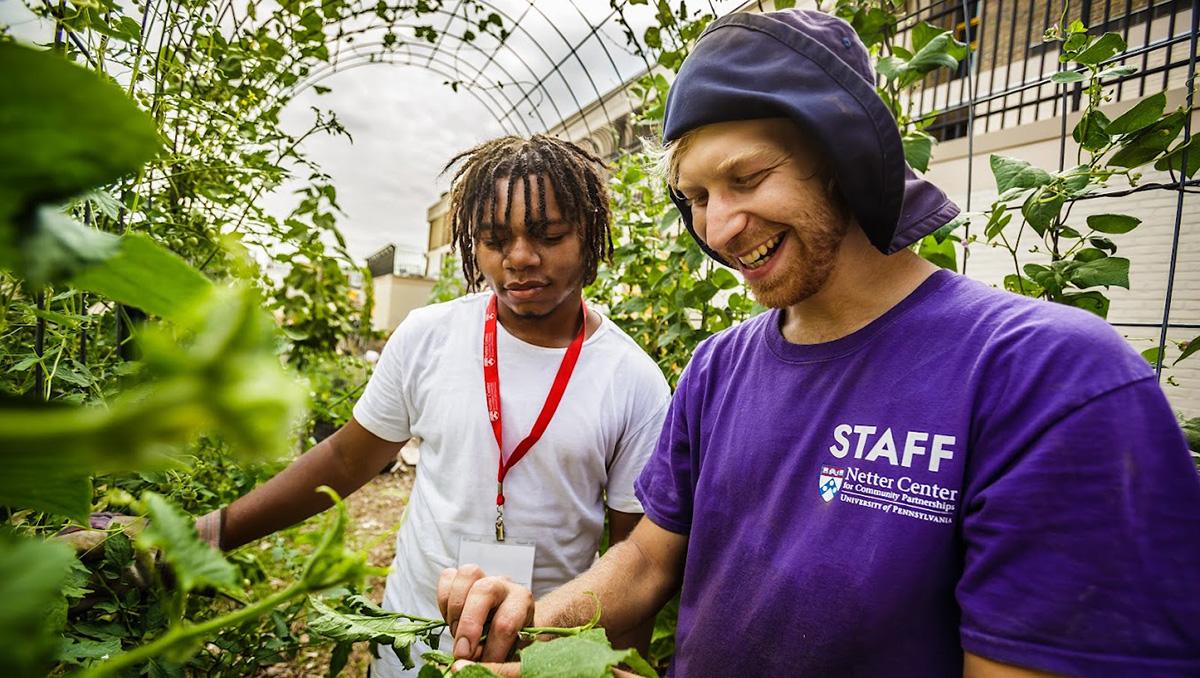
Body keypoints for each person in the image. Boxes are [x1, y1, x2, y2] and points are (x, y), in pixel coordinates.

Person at [437, 10, 1200, 678]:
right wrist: (531, 620)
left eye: (747, 178)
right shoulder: (719, 367)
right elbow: (644, 560)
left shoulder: (1047, 376)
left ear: (842, 157)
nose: (720, 227)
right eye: (698, 198)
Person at [193, 135, 670, 675]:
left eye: (549, 235)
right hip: (412, 640)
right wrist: (212, 532)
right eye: (493, 240)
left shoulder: (632, 380)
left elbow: (635, 559)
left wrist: (622, 666)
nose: (519, 258)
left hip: (543, 660)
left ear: (589, 236)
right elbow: (347, 459)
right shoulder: (428, 337)